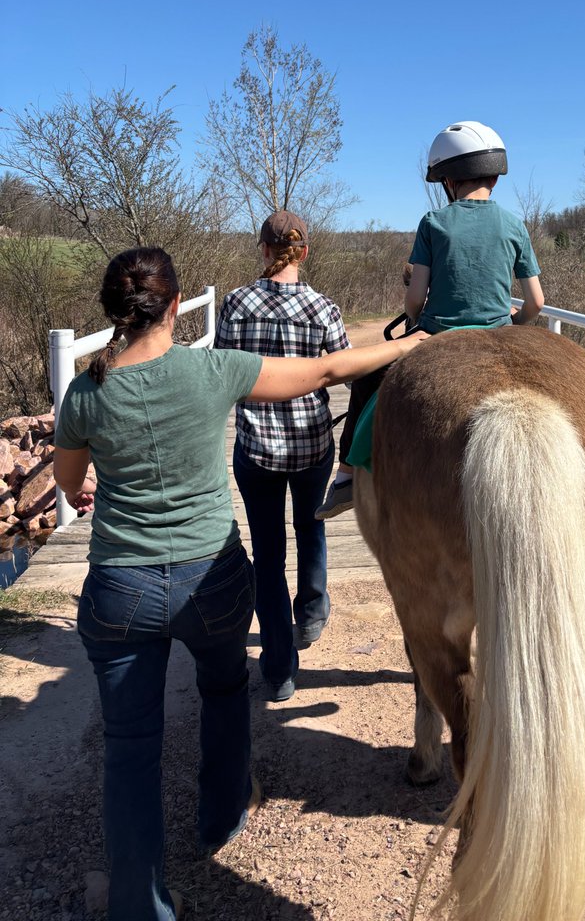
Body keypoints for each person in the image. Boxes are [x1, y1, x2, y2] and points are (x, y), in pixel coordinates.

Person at [52, 247, 428, 921]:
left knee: (129, 746)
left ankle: (139, 904)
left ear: (116, 311)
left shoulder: (87, 390)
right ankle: (221, 818)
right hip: (211, 579)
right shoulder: (210, 371)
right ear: (174, 308)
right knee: (224, 690)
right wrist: (413, 343)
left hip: (120, 587)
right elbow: (328, 367)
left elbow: (68, 479)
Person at [316, 121, 544, 518]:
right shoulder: (514, 225)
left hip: (438, 333)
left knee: (370, 382)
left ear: (447, 179)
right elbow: (536, 302)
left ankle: (347, 475)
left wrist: (415, 317)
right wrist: (515, 321)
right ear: (494, 175)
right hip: (500, 333)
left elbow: (415, 297)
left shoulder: (433, 223)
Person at [214, 211, 347, 701]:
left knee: (268, 553)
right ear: (304, 252)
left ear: (264, 249)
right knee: (311, 527)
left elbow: (223, 372)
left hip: (257, 448)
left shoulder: (235, 305)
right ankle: (310, 617)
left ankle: (277, 669)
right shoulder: (324, 309)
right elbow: (340, 370)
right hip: (312, 444)